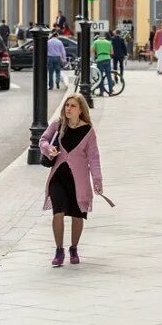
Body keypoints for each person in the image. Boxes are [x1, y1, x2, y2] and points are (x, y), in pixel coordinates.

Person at [39, 94, 103, 267]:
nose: (68, 108)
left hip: (78, 181)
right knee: (57, 212)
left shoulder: (88, 131)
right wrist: (48, 148)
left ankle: (73, 248)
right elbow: (43, 139)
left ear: (80, 109)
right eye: (67, 105)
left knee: (77, 216)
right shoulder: (58, 124)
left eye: (73, 106)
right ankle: (59, 250)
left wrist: (97, 180)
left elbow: (94, 158)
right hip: (58, 177)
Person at [91, 31, 114, 96]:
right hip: (107, 58)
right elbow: (112, 52)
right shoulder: (108, 42)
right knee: (109, 76)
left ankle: (101, 92)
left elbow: (91, 50)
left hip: (100, 58)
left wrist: (98, 50)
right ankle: (110, 92)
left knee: (100, 76)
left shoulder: (96, 42)